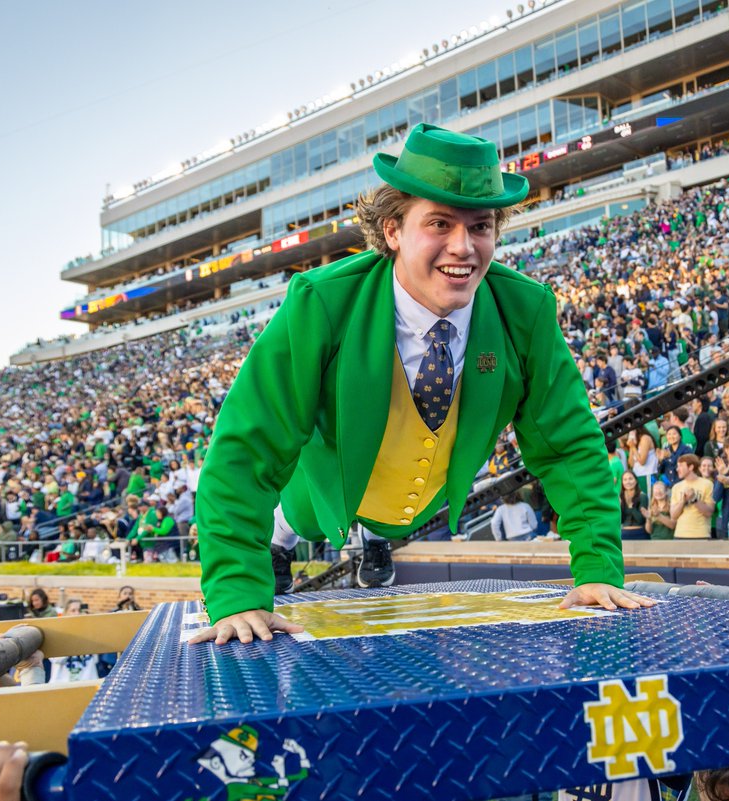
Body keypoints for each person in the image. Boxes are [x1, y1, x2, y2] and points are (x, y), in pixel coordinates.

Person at [191, 123, 650, 645]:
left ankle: (374, 534)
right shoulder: (318, 303)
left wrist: (597, 570)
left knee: (384, 519)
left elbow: (568, 446)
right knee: (301, 516)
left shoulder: (527, 310)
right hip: (324, 486)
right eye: (439, 223)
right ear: (392, 231)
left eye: (480, 226)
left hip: (420, 501)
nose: (464, 247)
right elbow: (247, 447)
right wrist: (238, 595)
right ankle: (284, 538)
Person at [670, 454, 715, 540]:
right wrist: (682, 501)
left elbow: (709, 512)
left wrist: (694, 499)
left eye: (681, 466)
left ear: (690, 467)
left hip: (701, 535)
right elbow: (673, 515)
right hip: (680, 535)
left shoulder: (707, 484)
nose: (677, 469)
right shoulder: (676, 487)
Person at [620, 471, 648, 541]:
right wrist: (619, 507)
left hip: (639, 533)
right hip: (624, 533)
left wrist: (630, 505)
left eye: (630, 479)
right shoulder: (621, 497)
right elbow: (621, 520)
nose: (628, 482)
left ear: (636, 481)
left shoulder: (642, 496)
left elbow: (640, 520)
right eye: (625, 480)